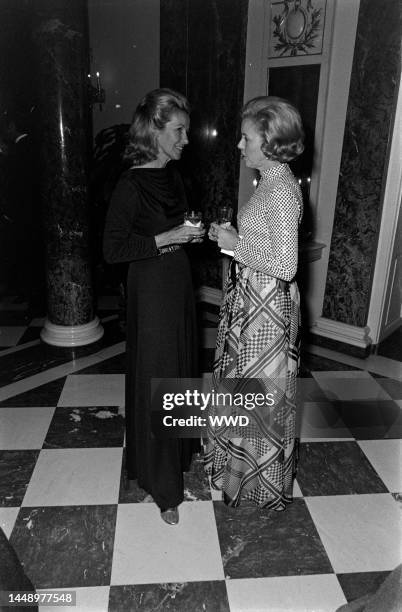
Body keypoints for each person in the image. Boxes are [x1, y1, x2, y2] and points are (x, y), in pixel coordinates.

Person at [103, 88, 205, 525]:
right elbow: (113, 249)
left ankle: (177, 454)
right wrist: (170, 238)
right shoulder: (130, 183)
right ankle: (164, 488)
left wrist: (192, 232)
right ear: (155, 131)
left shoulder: (173, 175)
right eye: (178, 130)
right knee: (159, 374)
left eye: (185, 129)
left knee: (180, 368)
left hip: (178, 283)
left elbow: (175, 222)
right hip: (151, 286)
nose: (186, 138)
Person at [204, 96, 304, 509]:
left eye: (246, 138)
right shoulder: (271, 182)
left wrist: (236, 245)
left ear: (270, 139)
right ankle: (237, 477)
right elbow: (266, 245)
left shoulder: (281, 189)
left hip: (267, 307)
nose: (239, 145)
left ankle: (260, 488)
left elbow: (285, 263)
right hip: (252, 302)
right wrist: (235, 242)